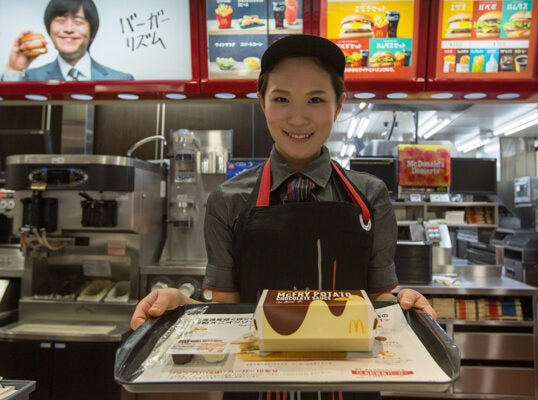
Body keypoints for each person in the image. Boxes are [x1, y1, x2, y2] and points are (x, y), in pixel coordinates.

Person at [131, 34, 436, 400]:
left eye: (316, 99)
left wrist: (405, 306)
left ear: (339, 105)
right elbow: (227, 314)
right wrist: (181, 309)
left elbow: (381, 307)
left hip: (349, 383)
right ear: (262, 103)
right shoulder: (228, 201)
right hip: (254, 384)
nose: (297, 117)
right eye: (281, 99)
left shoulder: (370, 197)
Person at [2, 0, 133, 81]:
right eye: (60, 21)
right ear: (49, 29)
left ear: (92, 31)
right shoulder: (30, 79)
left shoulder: (120, 80)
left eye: (78, 21)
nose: (68, 29)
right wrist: (14, 69)